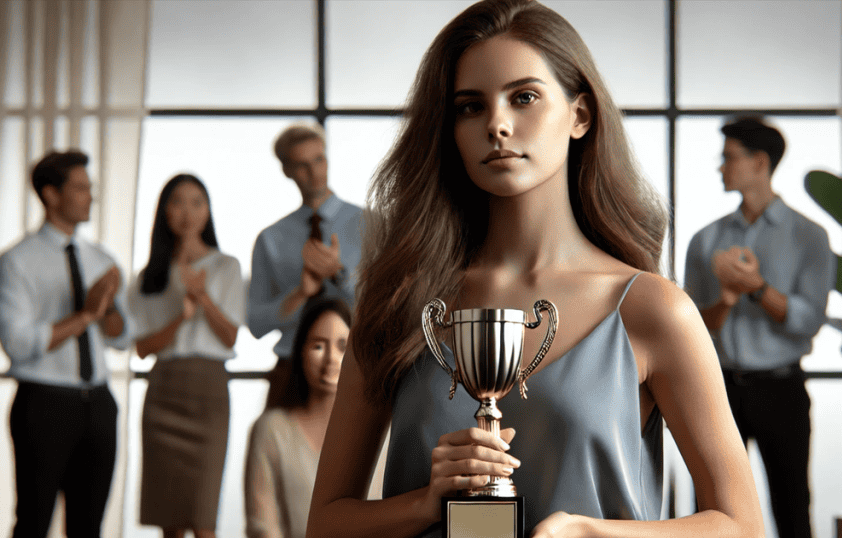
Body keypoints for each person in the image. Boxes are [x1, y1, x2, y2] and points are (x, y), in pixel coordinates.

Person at [306, 1, 763, 537]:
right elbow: (325, 524)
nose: (498, 124)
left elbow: (741, 525)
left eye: (523, 97)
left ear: (580, 115)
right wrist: (427, 504)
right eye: (470, 107)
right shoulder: (401, 305)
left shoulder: (652, 309)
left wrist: (592, 533)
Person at [684, 116, 834, 538]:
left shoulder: (810, 237)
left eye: (729, 158)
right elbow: (692, 329)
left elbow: (808, 323)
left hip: (782, 390)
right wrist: (727, 301)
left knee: (791, 507)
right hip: (719, 390)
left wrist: (756, 288)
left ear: (760, 162)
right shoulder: (705, 241)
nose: (720, 167)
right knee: (711, 511)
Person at [0, 150, 133, 537]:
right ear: (51, 194)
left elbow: (122, 338)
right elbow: (18, 342)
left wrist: (108, 311)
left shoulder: (101, 260)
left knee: (88, 527)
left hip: (99, 403)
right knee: (34, 522)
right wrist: (84, 315)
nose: (90, 196)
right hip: (43, 404)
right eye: (80, 188)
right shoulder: (17, 263)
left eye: (90, 188)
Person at [127, 174, 245, 537]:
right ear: (165, 211)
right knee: (170, 521)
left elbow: (229, 337)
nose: (188, 212)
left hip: (208, 389)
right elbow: (143, 348)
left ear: (208, 211)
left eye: (197, 202)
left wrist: (203, 296)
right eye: (178, 202)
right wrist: (182, 314)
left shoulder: (226, 267)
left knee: (203, 517)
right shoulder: (150, 276)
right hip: (163, 388)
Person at [248, 123, 363, 409]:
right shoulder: (270, 239)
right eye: (302, 165)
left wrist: (339, 275)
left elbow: (390, 305)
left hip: (353, 367)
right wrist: (300, 293)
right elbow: (257, 323)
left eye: (319, 160)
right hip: (290, 370)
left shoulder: (371, 226)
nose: (314, 174)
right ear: (286, 171)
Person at [244, 298, 351, 538]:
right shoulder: (271, 430)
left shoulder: (379, 436)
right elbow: (263, 528)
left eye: (343, 346)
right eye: (318, 346)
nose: (331, 359)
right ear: (300, 352)